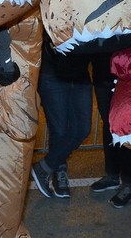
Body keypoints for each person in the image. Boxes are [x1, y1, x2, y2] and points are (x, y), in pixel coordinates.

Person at [30, 30, 92, 200]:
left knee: (83, 129)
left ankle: (45, 166)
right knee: (59, 131)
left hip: (80, 73)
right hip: (52, 73)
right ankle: (59, 172)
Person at [88, 52, 131, 207]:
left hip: (130, 68)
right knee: (109, 124)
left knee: (130, 125)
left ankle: (128, 184)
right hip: (103, 69)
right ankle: (111, 174)